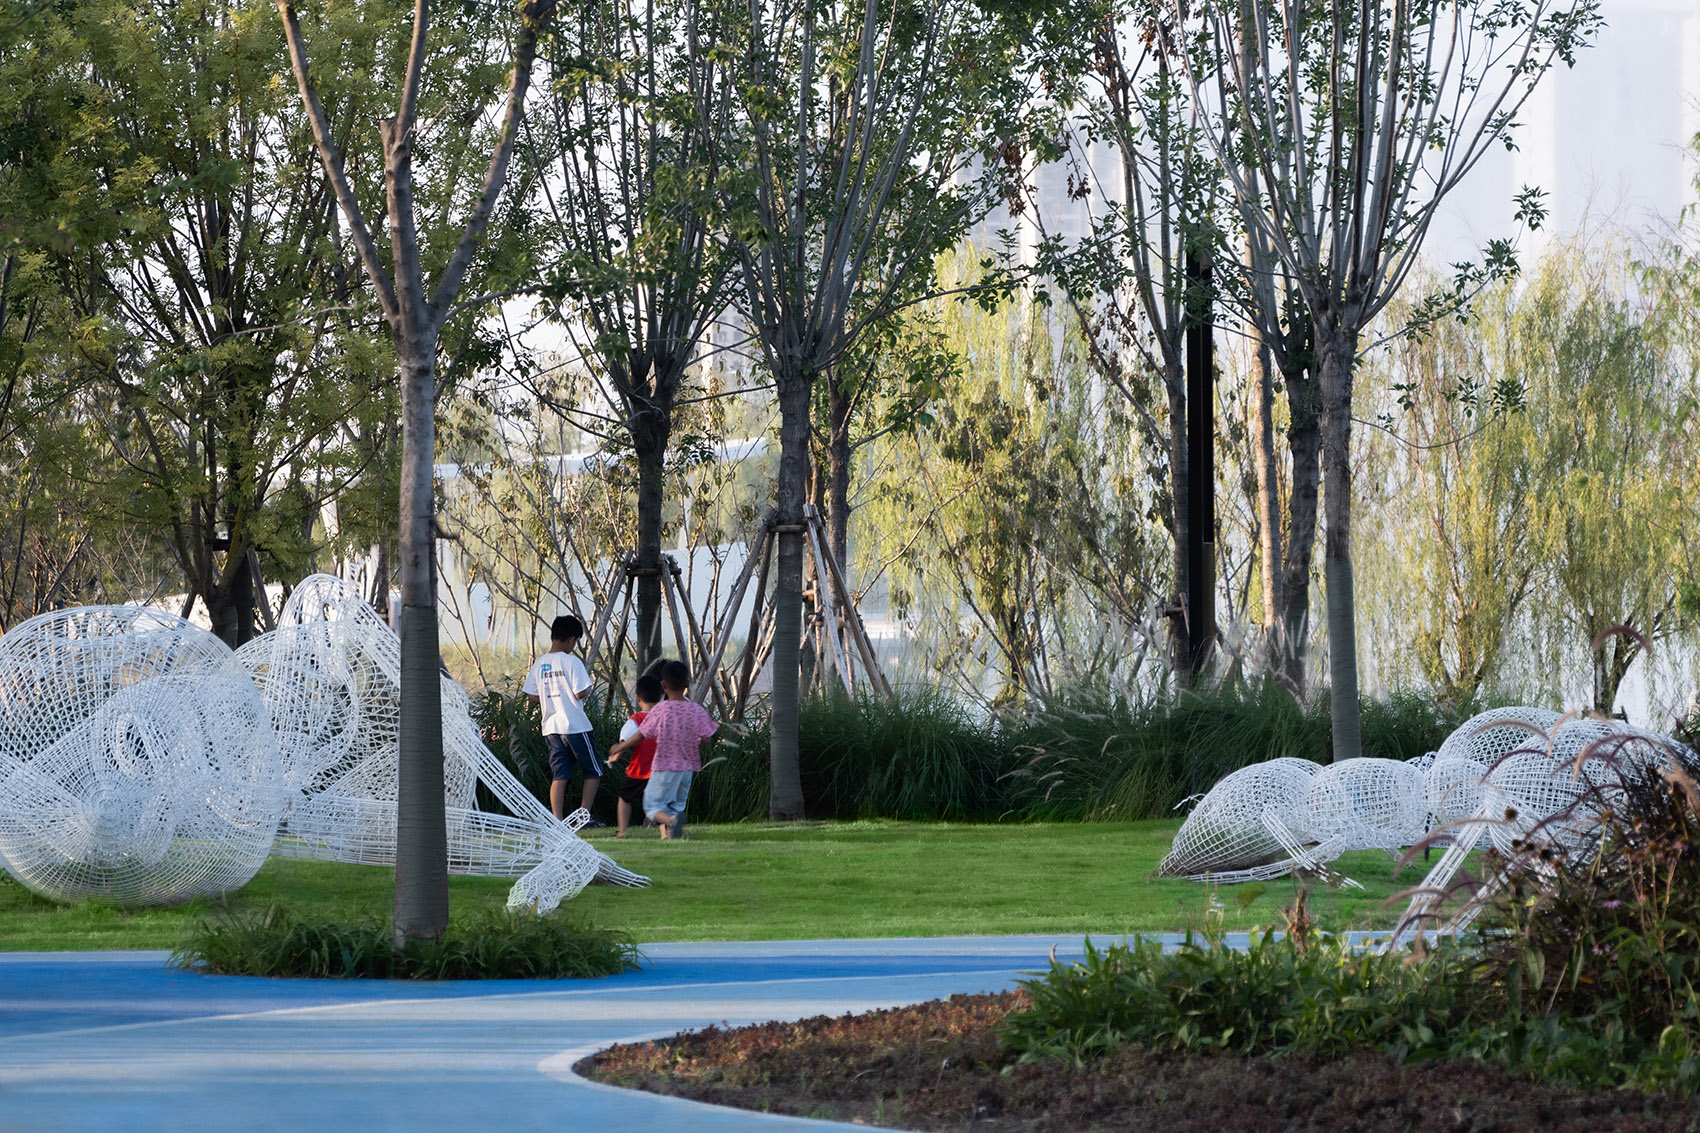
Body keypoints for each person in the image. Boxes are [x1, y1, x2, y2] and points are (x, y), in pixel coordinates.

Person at [608, 659, 715, 839]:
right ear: (687, 684)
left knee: (652, 807)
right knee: (674, 805)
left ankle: (672, 821)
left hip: (666, 766)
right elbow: (706, 738)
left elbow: (641, 734)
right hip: (687, 768)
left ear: (663, 685)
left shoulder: (661, 710)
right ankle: (668, 837)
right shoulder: (695, 709)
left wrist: (621, 746)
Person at [522, 614, 605, 825]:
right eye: (574, 641)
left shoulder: (540, 664)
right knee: (593, 771)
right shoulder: (571, 661)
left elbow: (532, 697)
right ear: (570, 639)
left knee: (559, 775)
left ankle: (557, 821)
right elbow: (580, 692)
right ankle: (583, 816)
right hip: (575, 725)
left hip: (551, 727)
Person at [608, 673, 662, 837]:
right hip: (662, 769)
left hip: (639, 770)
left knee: (625, 797)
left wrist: (614, 757)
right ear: (661, 697)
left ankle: (623, 830)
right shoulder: (665, 718)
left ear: (638, 698)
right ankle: (664, 830)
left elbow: (623, 744)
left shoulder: (635, 720)